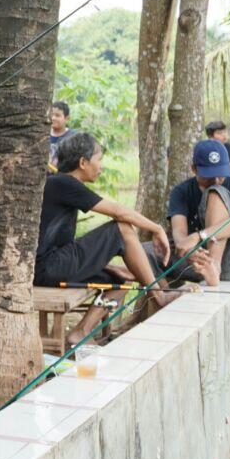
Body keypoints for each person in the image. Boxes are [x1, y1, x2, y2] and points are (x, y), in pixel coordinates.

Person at [36, 133, 175, 341]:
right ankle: (159, 296)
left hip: (53, 266)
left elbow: (63, 244)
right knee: (122, 228)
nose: (100, 166)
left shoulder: (61, 184)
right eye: (99, 159)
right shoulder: (63, 183)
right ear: (83, 162)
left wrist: (107, 267)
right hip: (48, 267)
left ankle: (80, 332)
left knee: (120, 281)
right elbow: (119, 212)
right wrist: (157, 228)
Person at [166, 141, 230, 284]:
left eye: (221, 174)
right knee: (147, 252)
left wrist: (199, 236)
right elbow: (179, 231)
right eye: (209, 175)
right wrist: (188, 248)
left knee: (215, 192)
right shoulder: (180, 191)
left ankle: (214, 266)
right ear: (194, 169)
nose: (216, 180)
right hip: (197, 259)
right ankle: (160, 298)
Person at [48, 100, 75, 168]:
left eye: (57, 115)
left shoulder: (73, 137)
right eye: (52, 115)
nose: (53, 118)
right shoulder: (43, 133)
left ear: (67, 118)